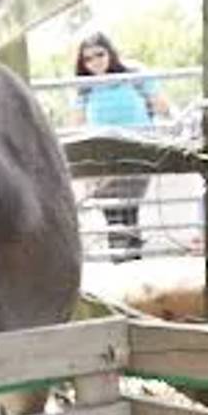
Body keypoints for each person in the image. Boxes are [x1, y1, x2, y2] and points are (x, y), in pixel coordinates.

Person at [71, 32, 172, 261]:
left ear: (110, 52)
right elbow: (76, 123)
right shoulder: (84, 87)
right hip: (102, 156)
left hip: (135, 149)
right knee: (113, 214)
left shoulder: (133, 73)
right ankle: (124, 260)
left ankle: (129, 258)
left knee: (128, 209)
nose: (95, 61)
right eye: (88, 59)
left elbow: (161, 104)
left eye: (100, 54)